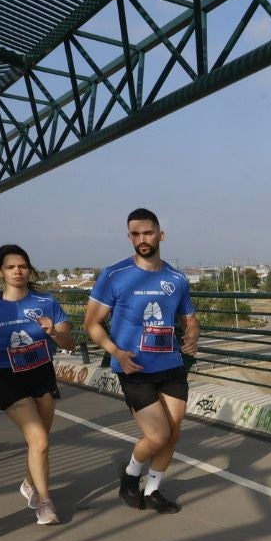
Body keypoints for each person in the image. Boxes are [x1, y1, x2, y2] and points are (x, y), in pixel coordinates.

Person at [84, 208, 199, 514]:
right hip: (134, 368)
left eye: (147, 233)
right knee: (158, 435)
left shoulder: (176, 278)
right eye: (135, 234)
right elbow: (91, 323)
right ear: (129, 237)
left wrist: (193, 335)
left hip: (171, 366)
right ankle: (131, 474)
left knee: (173, 434)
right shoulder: (114, 275)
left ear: (161, 235)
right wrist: (115, 351)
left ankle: (153, 490)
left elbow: (190, 316)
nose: (142, 239)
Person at [0, 244, 75, 525]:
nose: (18, 271)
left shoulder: (46, 302)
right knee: (39, 439)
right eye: (10, 266)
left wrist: (53, 331)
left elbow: (70, 342)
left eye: (22, 265)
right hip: (9, 377)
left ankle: (29, 483)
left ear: (29, 269)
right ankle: (45, 502)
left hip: (41, 374)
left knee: (40, 443)